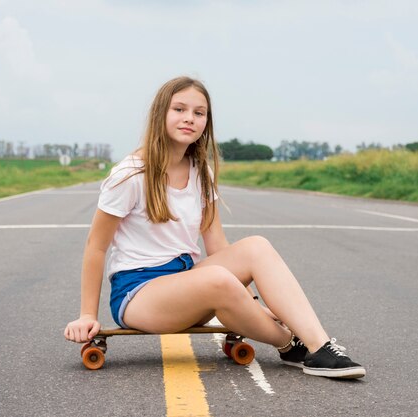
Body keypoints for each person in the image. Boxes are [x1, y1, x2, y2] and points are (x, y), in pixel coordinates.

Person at [63, 76, 366, 379]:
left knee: (256, 246)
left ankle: (321, 345)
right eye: (179, 109)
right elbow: (96, 246)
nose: (189, 119)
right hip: (138, 294)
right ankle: (290, 344)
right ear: (160, 114)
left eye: (199, 113)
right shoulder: (131, 174)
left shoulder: (200, 171)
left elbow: (217, 244)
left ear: (206, 122)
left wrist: (250, 303)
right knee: (217, 279)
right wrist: (87, 315)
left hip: (188, 279)